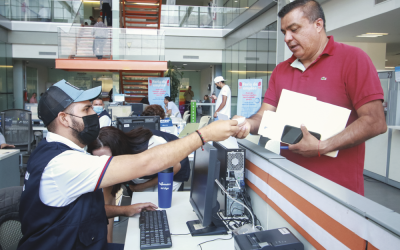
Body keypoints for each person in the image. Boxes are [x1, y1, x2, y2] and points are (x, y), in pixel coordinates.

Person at [18, 79, 239, 250]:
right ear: (64, 119)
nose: (95, 114)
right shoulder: (63, 164)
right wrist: (205, 135)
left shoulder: (52, 152)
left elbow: (77, 212)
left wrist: (125, 210)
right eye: (86, 110)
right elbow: (147, 162)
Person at [233, 0, 387, 195]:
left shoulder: (353, 59)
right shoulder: (281, 70)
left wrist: (322, 146)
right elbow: (265, 115)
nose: (287, 38)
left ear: (318, 25)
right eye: (284, 32)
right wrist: (247, 124)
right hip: (291, 185)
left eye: (294, 29)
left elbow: (375, 121)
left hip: (339, 192)